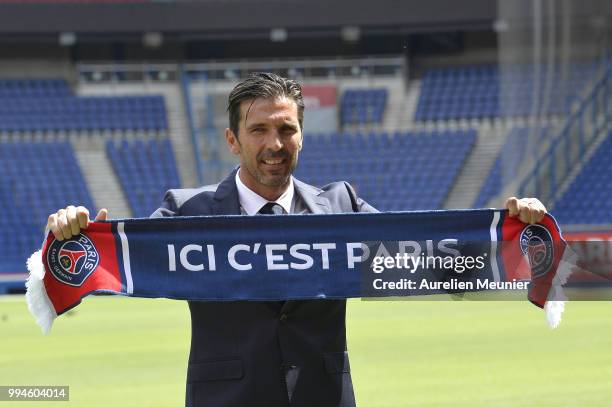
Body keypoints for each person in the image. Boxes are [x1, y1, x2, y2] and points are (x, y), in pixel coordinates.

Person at [46, 72, 548, 407]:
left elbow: (427, 256)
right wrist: (69, 236)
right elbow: (109, 264)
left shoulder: (341, 207)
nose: (274, 145)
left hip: (323, 397)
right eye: (258, 129)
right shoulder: (188, 212)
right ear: (232, 140)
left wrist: (513, 234)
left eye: (286, 130)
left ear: (302, 135)